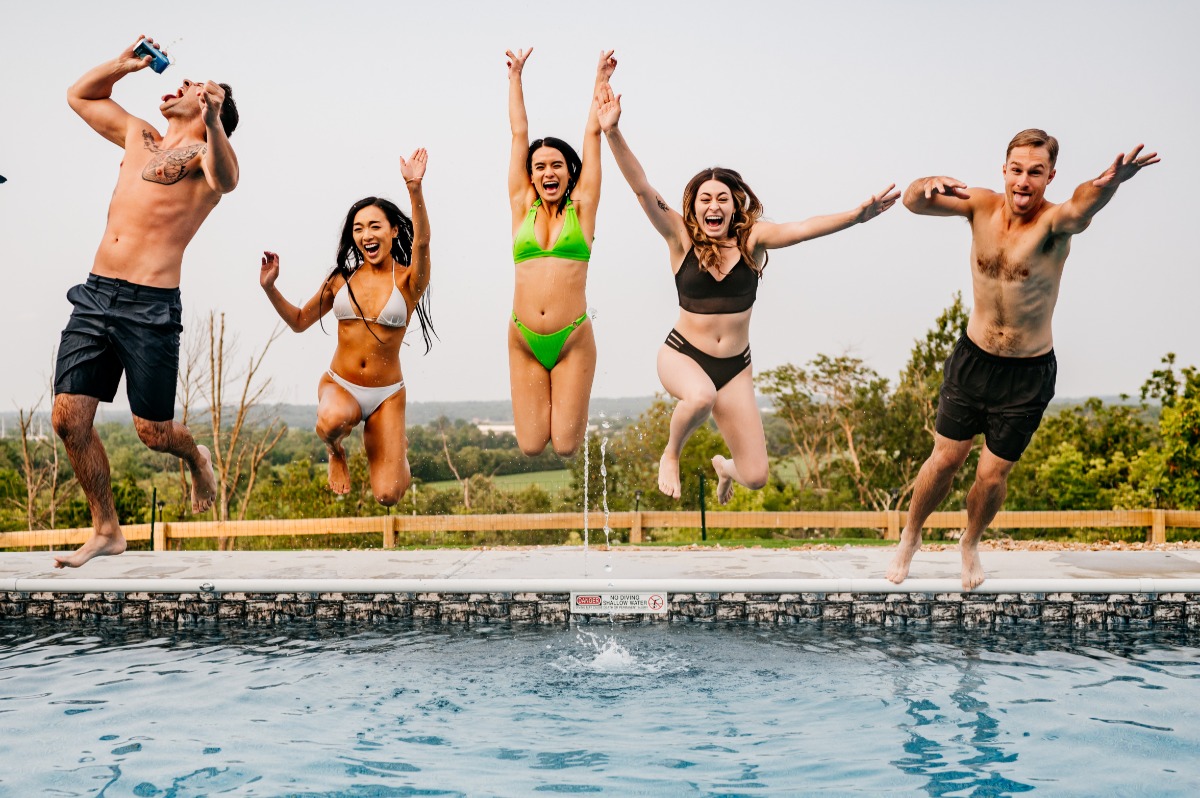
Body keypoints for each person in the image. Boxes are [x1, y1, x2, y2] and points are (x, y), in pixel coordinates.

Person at [596, 82, 899, 503]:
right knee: (699, 397)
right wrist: (612, 132)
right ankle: (671, 454)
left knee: (755, 476)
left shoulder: (752, 241)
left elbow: (801, 229)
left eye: (722, 198)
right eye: (705, 199)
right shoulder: (680, 238)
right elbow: (642, 188)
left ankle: (724, 468)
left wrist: (855, 216)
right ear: (694, 206)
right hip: (683, 354)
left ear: (735, 206)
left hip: (735, 368)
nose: (713, 206)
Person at [887, 129, 1160, 590]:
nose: (1024, 181)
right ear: (1005, 170)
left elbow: (1082, 205)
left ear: (1050, 175)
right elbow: (914, 203)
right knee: (946, 458)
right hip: (973, 359)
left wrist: (1110, 182)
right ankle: (911, 535)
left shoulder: (1054, 225)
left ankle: (969, 542)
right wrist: (924, 181)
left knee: (992, 475)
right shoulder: (979, 205)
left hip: (1028, 372)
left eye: (1036, 172)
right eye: (1017, 170)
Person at [51, 36, 239, 568]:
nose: (178, 84)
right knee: (68, 419)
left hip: (150, 304)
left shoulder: (208, 158)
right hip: (95, 294)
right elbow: (79, 97)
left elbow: (228, 181)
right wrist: (124, 65)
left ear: (208, 107)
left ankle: (195, 456)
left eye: (194, 87)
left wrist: (217, 120)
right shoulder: (139, 134)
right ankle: (107, 529)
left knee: (153, 431)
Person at [260, 150, 432, 504]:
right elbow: (298, 321)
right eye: (358, 228)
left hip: (387, 395)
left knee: (388, 495)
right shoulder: (341, 280)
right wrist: (270, 287)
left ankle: (399, 452)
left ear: (394, 230)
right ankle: (335, 451)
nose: (366, 234)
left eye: (374, 226)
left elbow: (424, 243)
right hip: (341, 387)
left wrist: (414, 188)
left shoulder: (409, 281)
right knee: (332, 418)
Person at [506, 47, 615, 457]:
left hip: (572, 338)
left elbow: (592, 135)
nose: (547, 172)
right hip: (523, 337)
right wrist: (515, 77)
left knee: (567, 446)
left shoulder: (582, 209)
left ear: (570, 172)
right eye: (539, 167)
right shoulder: (521, 206)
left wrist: (600, 79)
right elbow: (519, 133)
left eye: (556, 165)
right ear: (530, 176)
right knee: (532, 446)